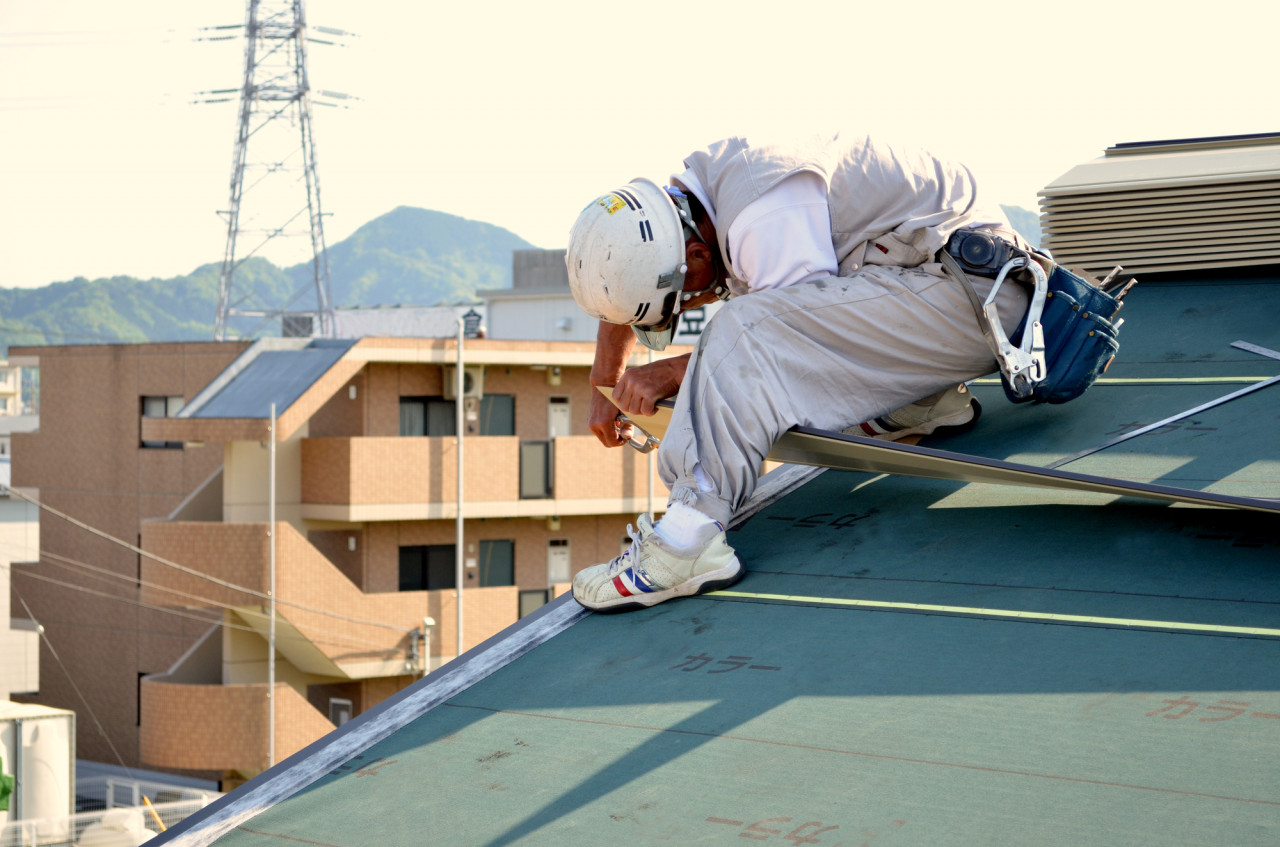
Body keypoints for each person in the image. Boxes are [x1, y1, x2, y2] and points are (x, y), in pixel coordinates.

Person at [566, 133, 1031, 612]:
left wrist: (676, 372)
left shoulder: (763, 220)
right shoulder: (703, 191)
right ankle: (922, 401)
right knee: (752, 322)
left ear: (699, 258)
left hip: (979, 303)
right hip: (951, 287)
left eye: (682, 301)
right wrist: (604, 380)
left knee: (742, 326)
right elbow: (635, 273)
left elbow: (777, 346)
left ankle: (687, 541)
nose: (693, 305)